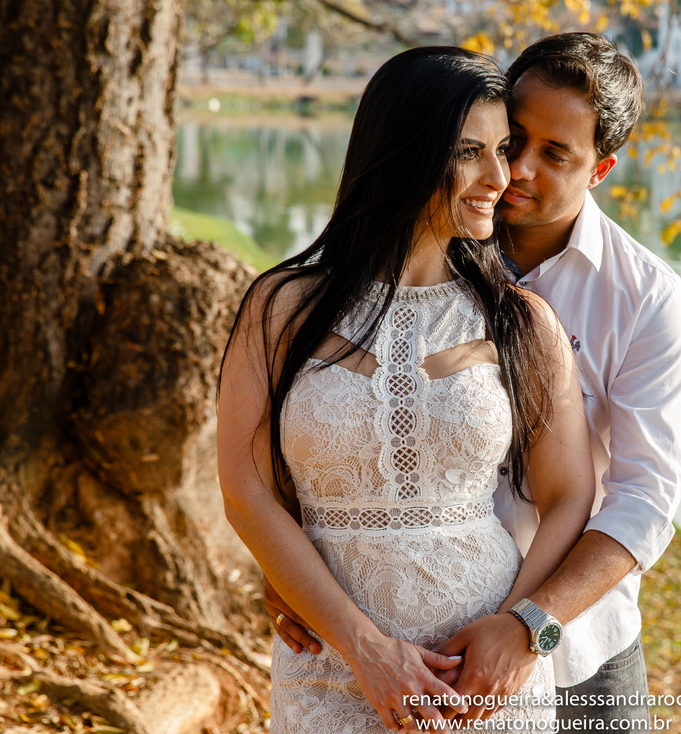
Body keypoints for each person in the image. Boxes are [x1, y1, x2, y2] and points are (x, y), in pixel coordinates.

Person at [272, 32, 681, 726]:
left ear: (601, 169)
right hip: (397, 638)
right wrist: (291, 563)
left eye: (554, 156)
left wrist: (532, 626)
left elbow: (646, 502)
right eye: (511, 139)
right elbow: (321, 418)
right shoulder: (418, 243)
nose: (517, 170)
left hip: (576, 640)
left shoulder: (644, 296)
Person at [218, 46, 596, 733]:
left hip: (479, 677)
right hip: (329, 666)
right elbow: (245, 489)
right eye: (469, 152)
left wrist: (518, 629)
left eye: (502, 149)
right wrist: (363, 648)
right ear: (405, 154)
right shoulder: (279, 308)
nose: (499, 176)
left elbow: (571, 495)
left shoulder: (521, 322)